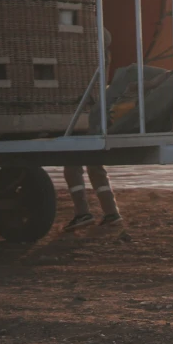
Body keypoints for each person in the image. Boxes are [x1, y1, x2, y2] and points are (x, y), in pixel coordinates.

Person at [63, 30, 122, 231]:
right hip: (97, 113)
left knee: (72, 166)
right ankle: (111, 211)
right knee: (96, 166)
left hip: (82, 113)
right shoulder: (102, 54)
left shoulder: (83, 55)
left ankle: (82, 212)